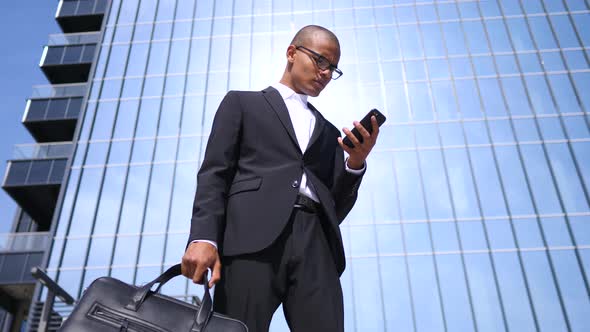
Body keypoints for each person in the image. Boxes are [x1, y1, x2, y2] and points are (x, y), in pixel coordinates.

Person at [181, 25, 379, 332]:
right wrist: (203, 237)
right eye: (321, 61)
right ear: (291, 53)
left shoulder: (328, 133)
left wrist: (355, 163)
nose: (326, 74)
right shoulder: (242, 103)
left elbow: (334, 209)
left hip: (316, 245)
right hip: (250, 239)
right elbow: (214, 175)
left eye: (333, 69)